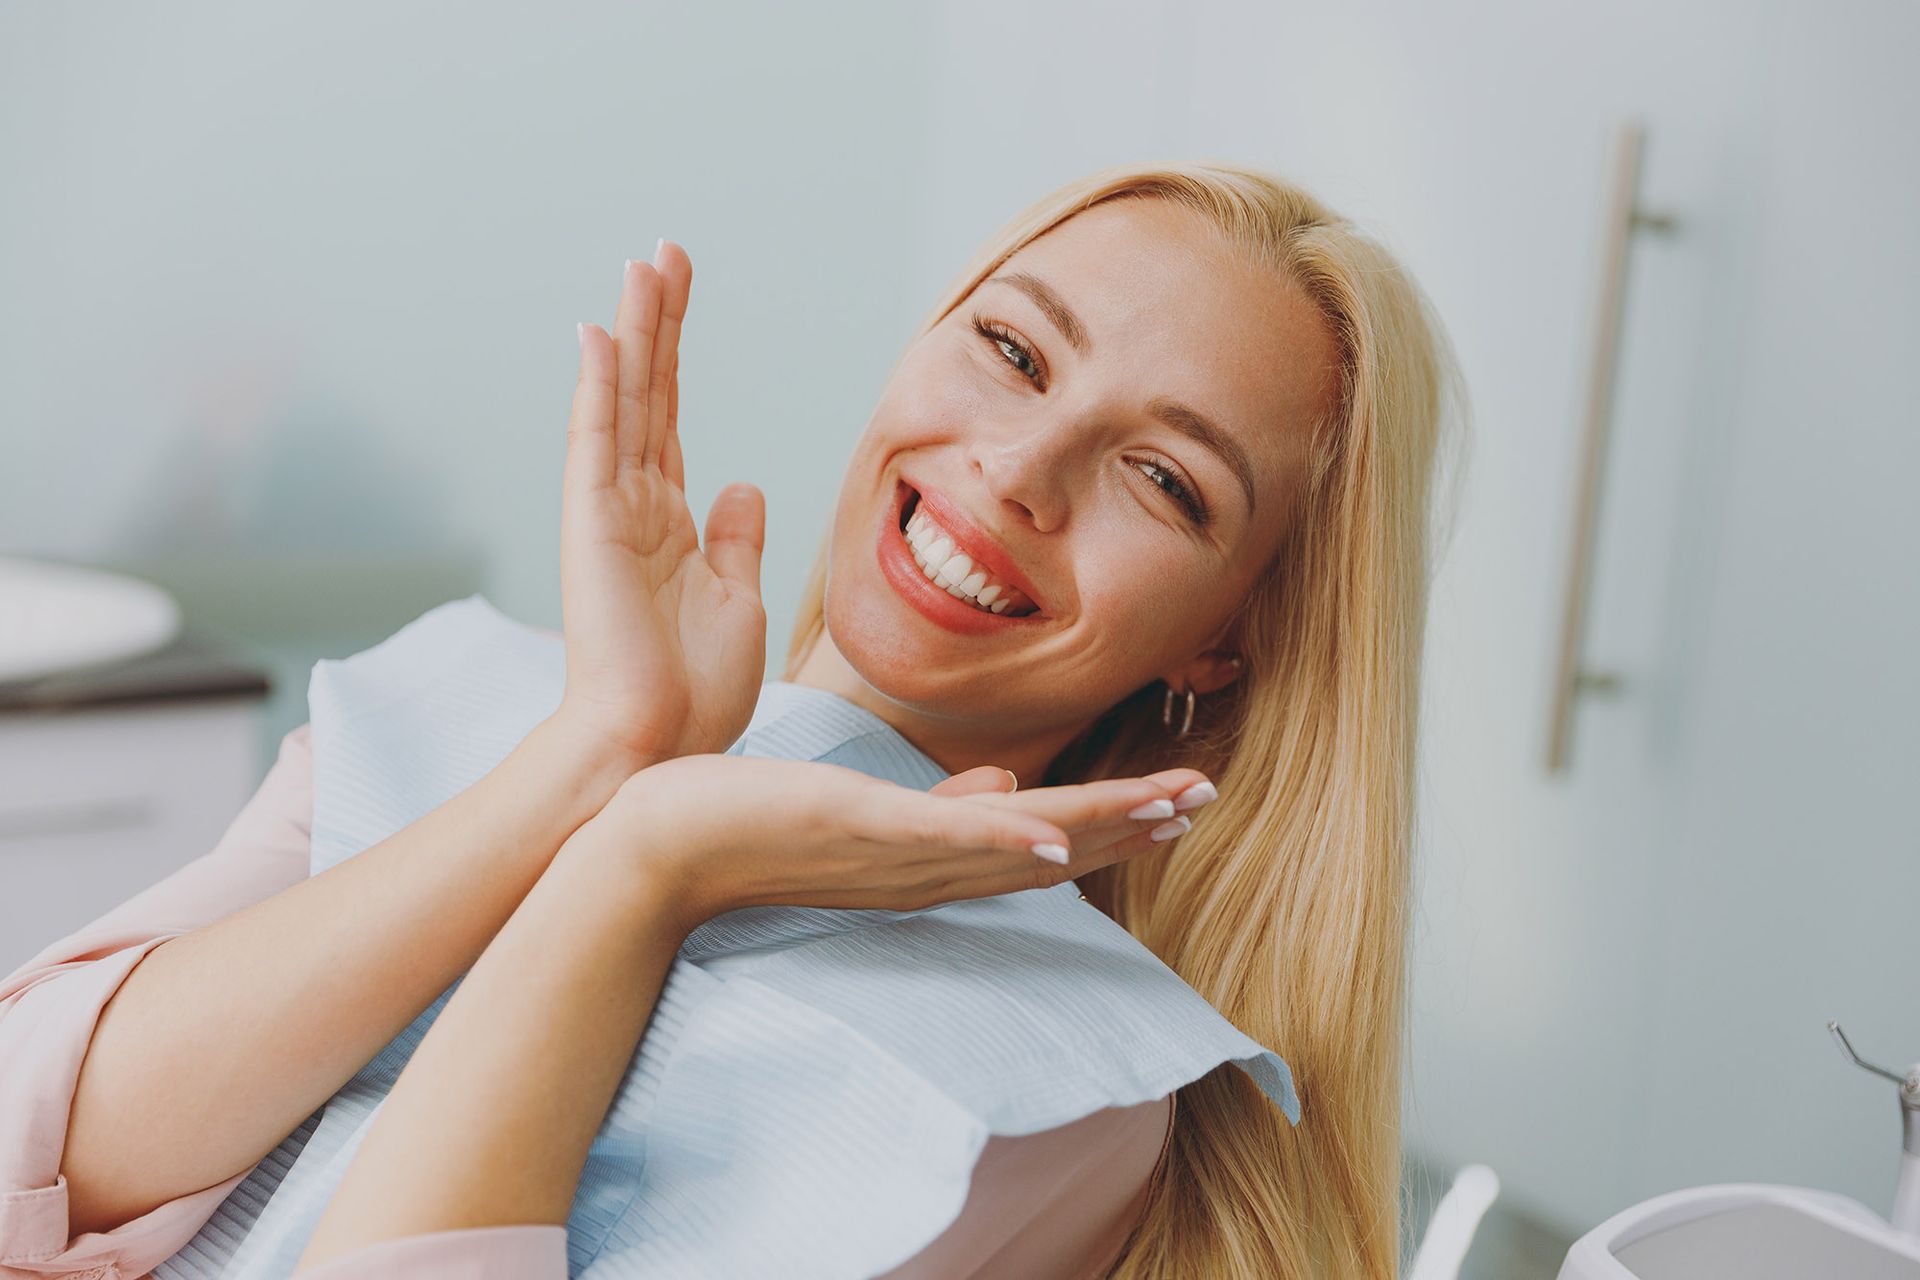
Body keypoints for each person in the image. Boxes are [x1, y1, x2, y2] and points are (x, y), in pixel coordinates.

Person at [0, 160, 1464, 1279]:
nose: (1020, 466)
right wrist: (598, 759)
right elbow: (37, 1145)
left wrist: (645, 871)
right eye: (1014, 351)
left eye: (1165, 479)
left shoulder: (1055, 1097)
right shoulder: (463, 704)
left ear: (1227, 640)